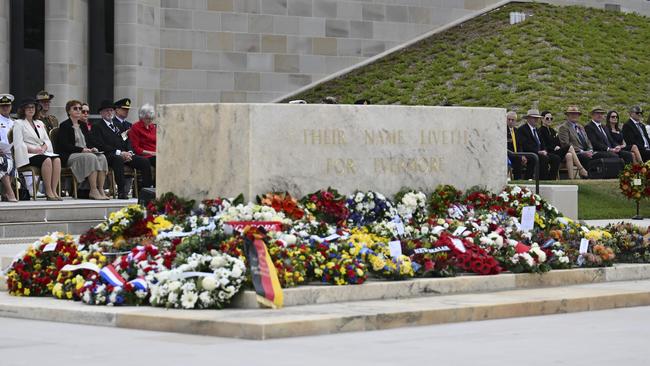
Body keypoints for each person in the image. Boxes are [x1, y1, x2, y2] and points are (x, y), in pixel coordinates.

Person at [92, 100, 152, 199]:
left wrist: (129, 152)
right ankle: (121, 191)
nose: (109, 113)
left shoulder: (118, 125)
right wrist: (120, 153)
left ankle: (146, 191)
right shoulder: (97, 126)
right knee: (118, 159)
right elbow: (100, 145)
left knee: (144, 161)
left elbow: (126, 140)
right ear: (101, 113)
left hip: (124, 153)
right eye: (107, 111)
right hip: (109, 155)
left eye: (111, 110)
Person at [56, 100, 110, 200]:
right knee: (90, 157)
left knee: (101, 157)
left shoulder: (83, 125)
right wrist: (82, 150)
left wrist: (92, 148)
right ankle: (93, 190)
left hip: (85, 153)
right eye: (75, 108)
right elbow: (64, 146)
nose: (78, 110)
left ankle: (101, 189)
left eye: (80, 108)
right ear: (68, 111)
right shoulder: (64, 125)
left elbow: (88, 142)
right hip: (70, 155)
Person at [12, 98, 61, 200]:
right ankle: (48, 191)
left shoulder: (39, 122)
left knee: (57, 160)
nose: (31, 109)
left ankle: (54, 190)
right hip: (28, 154)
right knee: (47, 160)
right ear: (23, 110)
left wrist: (44, 147)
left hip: (41, 152)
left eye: (33, 107)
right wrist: (33, 150)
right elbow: (18, 143)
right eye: (28, 107)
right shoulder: (18, 123)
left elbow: (47, 140)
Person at [539, 110, 588, 178]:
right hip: (550, 152)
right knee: (570, 147)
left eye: (551, 118)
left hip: (557, 151)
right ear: (542, 119)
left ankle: (571, 178)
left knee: (569, 155)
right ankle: (581, 168)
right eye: (547, 118)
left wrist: (557, 146)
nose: (549, 120)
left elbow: (558, 142)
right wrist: (554, 147)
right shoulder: (541, 130)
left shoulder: (552, 130)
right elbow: (544, 144)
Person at [516, 109, 560, 180]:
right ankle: (542, 179)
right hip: (530, 152)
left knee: (556, 158)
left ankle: (551, 179)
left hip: (540, 152)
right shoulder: (522, 129)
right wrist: (538, 152)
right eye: (534, 118)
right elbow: (525, 145)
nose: (536, 120)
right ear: (528, 118)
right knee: (543, 158)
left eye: (537, 118)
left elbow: (542, 143)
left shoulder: (536, 130)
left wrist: (544, 150)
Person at [0, 94, 17, 201]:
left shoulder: (14, 122)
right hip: (1, 153)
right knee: (4, 161)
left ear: (11, 107)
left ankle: (6, 192)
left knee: (14, 161)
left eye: (7, 106)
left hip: (12, 152)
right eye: (2, 106)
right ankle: (10, 192)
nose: (5, 108)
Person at [129, 103, 156, 168]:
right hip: (145, 156)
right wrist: (151, 153)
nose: (150, 121)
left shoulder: (152, 127)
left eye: (151, 118)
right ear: (142, 117)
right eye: (148, 118)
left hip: (155, 154)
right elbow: (136, 148)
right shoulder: (135, 127)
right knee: (158, 161)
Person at [506, 111, 526, 180]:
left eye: (513, 120)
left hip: (516, 154)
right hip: (507, 154)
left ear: (515, 121)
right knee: (517, 159)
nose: (510, 121)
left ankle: (519, 180)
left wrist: (522, 155)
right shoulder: (503, 130)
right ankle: (516, 179)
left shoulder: (517, 131)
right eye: (509, 119)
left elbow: (519, 145)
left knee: (520, 158)